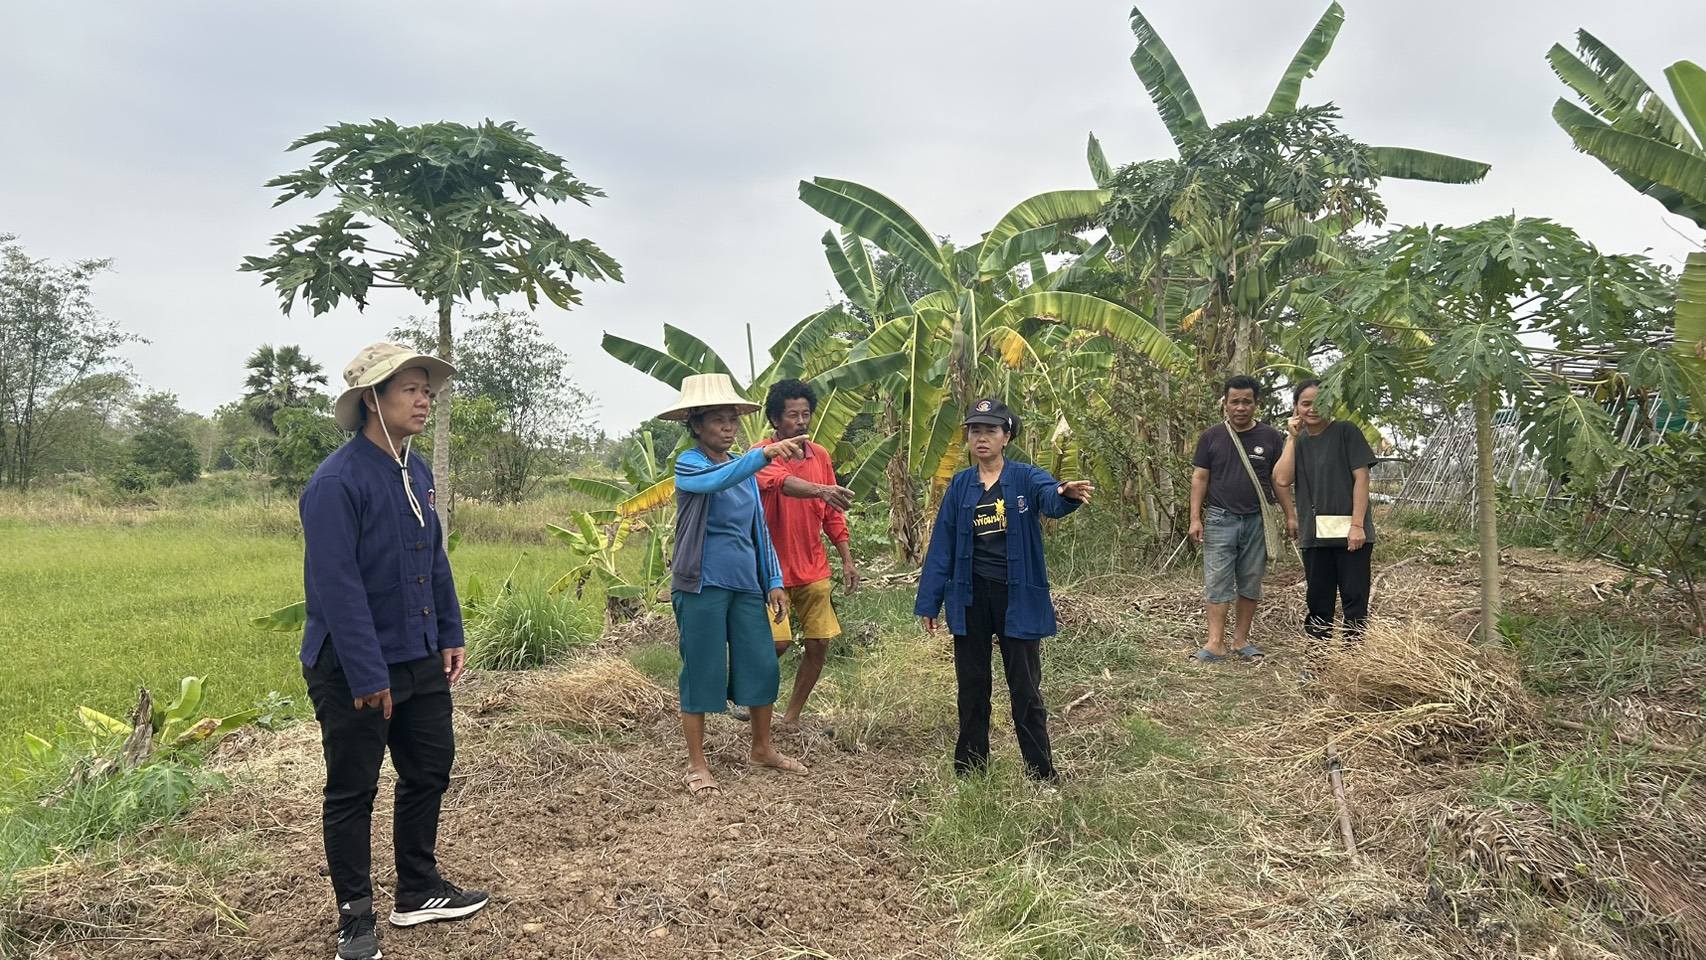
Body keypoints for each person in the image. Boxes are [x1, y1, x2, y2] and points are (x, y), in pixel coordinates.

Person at [299, 342, 489, 960]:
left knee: (430, 766)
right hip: (354, 663)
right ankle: (355, 920)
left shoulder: (417, 472)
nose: (423, 399)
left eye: (426, 389)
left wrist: (451, 631)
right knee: (353, 789)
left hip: (418, 651)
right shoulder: (336, 483)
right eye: (408, 388)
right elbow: (338, 586)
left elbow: (432, 558)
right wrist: (367, 672)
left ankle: (418, 888)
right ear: (371, 402)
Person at [914, 398, 1093, 783]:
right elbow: (942, 545)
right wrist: (930, 600)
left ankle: (1041, 774)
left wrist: (1065, 493)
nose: (981, 438)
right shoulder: (961, 485)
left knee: (1026, 689)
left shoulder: (1026, 478)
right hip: (971, 598)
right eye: (975, 430)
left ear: (1006, 437)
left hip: (1017, 598)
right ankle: (971, 770)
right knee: (972, 687)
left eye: (990, 430)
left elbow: (1051, 495)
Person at [662, 373, 812, 798]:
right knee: (702, 670)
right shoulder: (690, 465)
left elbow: (759, 530)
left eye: (733, 420)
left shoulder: (744, 472)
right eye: (718, 420)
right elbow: (716, 481)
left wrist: (774, 580)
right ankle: (696, 765)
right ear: (696, 425)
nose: (728, 427)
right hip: (701, 584)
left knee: (761, 665)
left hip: (746, 585)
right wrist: (762, 455)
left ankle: (762, 748)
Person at [754, 379, 860, 730]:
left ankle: (791, 717)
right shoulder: (762, 454)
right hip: (771, 570)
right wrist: (822, 489)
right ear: (775, 420)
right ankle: (752, 705)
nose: (800, 422)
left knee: (818, 644)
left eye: (806, 414)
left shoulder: (821, 456)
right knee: (778, 643)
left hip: (813, 567)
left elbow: (832, 513)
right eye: (792, 415)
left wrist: (846, 558)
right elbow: (781, 482)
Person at [1187, 375, 1295, 663]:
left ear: (1256, 404)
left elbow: (1279, 481)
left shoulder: (1271, 437)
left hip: (1257, 521)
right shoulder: (1211, 437)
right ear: (1225, 403)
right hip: (1220, 518)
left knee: (1250, 581)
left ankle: (1241, 640)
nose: (1240, 407)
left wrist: (1290, 516)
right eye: (1234, 401)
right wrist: (1195, 518)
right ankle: (1214, 643)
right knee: (1217, 581)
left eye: (1247, 401)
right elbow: (1200, 477)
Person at [1271, 379, 1377, 644]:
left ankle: (1354, 658)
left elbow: (1361, 479)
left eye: (1319, 402)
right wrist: (1292, 438)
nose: (1312, 409)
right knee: (1319, 600)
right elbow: (1282, 479)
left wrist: (1357, 525)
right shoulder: (1299, 442)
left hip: (1353, 534)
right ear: (1295, 408)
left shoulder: (1346, 432)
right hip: (1314, 535)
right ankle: (1318, 658)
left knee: (1354, 598)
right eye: (1305, 404)